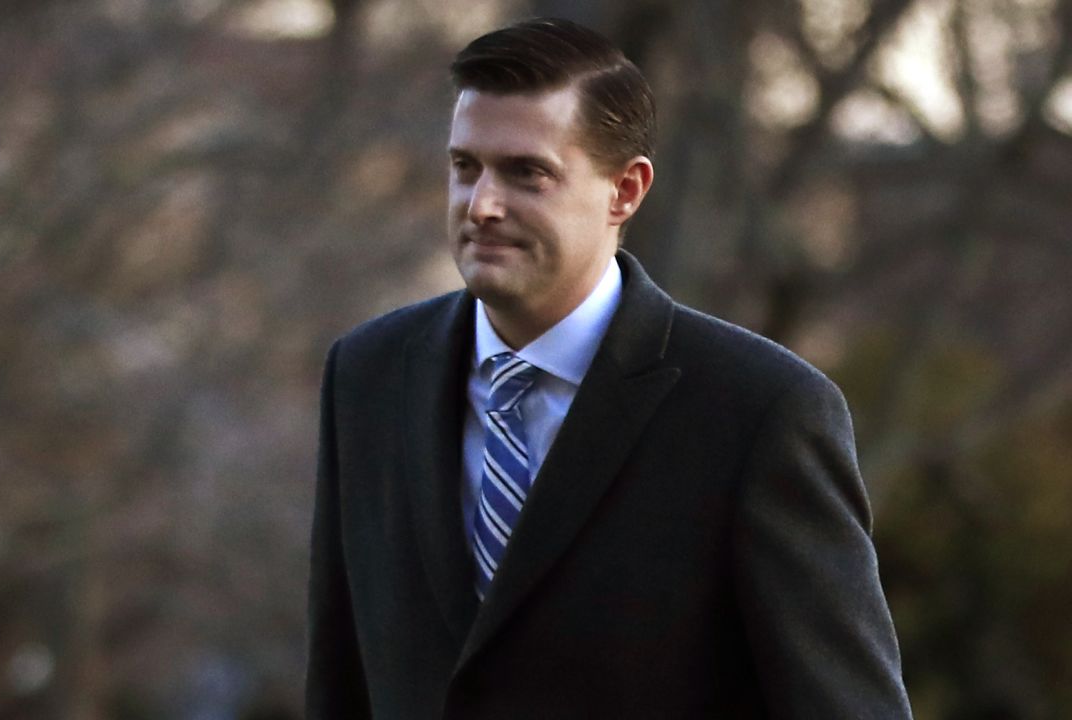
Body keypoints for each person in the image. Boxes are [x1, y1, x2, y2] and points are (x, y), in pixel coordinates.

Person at [306, 17, 913, 719]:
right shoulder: (367, 376)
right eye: (464, 166)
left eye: (526, 172)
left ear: (625, 191)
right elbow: (340, 683)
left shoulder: (760, 412)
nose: (482, 205)